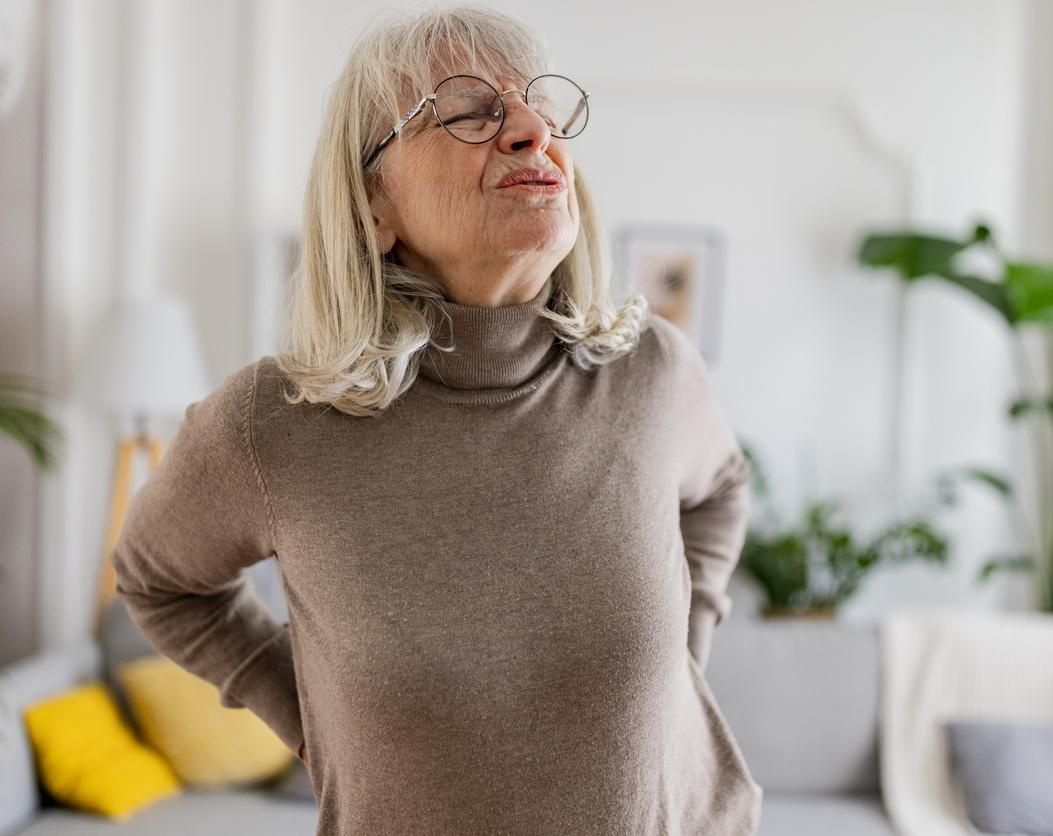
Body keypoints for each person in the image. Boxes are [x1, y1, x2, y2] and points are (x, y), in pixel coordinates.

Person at [111, 4, 761, 834]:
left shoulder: (654, 373)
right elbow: (157, 580)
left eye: (541, 107)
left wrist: (685, 648)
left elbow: (722, 489)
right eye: (466, 111)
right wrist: (309, 715)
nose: (530, 129)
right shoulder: (268, 425)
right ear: (372, 205)